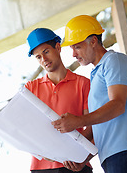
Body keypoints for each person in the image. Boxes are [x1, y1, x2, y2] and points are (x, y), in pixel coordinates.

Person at [52, 15, 127, 173]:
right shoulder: (96, 74)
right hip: (113, 156)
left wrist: (77, 121)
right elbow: (99, 127)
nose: (73, 54)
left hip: (125, 152)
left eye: (77, 47)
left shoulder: (114, 61)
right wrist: (83, 159)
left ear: (93, 41)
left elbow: (117, 105)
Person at [25, 28, 93, 173]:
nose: (44, 60)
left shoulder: (83, 84)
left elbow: (95, 126)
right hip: (41, 168)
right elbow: (24, 128)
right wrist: (43, 151)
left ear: (58, 47)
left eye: (46, 52)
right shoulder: (30, 89)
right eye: (38, 57)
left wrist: (79, 156)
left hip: (76, 165)